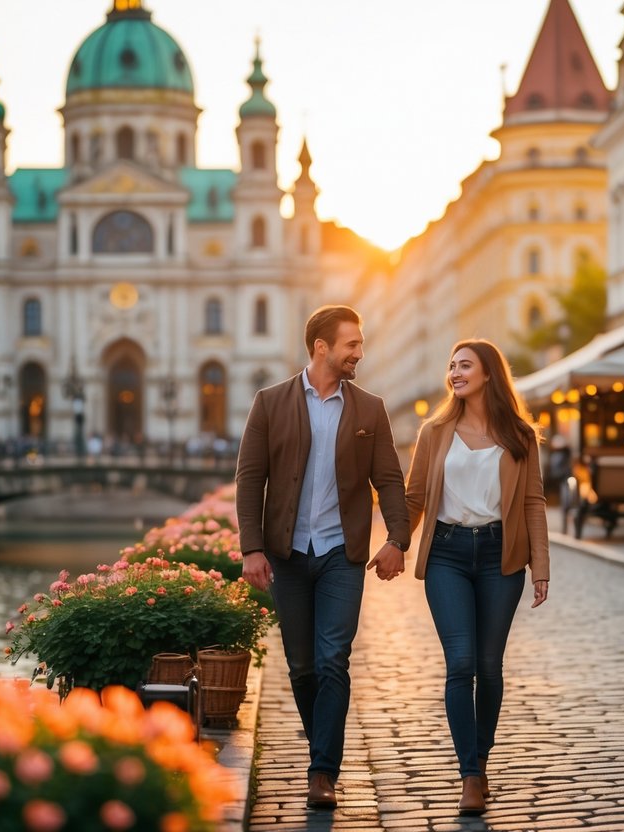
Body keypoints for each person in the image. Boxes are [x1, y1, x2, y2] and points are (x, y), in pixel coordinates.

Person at [235, 304, 410, 811]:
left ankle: (321, 771)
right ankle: (323, 749)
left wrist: (397, 539)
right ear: (321, 348)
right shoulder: (270, 403)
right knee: (301, 666)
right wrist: (252, 548)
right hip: (288, 553)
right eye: (352, 344)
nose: (360, 352)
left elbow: (390, 481)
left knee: (334, 659)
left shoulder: (370, 409)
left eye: (360, 344)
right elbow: (250, 480)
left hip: (341, 553)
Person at [404, 339, 550, 816]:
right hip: (446, 553)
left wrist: (540, 568)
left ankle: (480, 760)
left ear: (489, 373)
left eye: (465, 365)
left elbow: (532, 502)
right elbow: (414, 499)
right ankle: (470, 774)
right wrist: (393, 541)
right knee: (460, 662)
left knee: (489, 667)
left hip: (498, 557)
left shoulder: (520, 435)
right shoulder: (435, 431)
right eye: (451, 365)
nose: (455, 372)